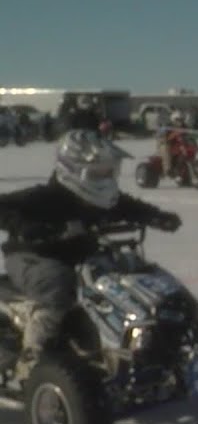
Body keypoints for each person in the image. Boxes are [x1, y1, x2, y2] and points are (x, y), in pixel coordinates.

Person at [0, 131, 182, 380]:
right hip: (33, 257)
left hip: (81, 256)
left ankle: (153, 338)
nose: (106, 178)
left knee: (131, 275)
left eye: (109, 172)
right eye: (99, 173)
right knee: (58, 286)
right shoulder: (45, 197)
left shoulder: (101, 200)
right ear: (74, 170)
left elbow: (127, 206)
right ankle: (32, 361)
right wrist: (26, 227)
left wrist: (155, 216)